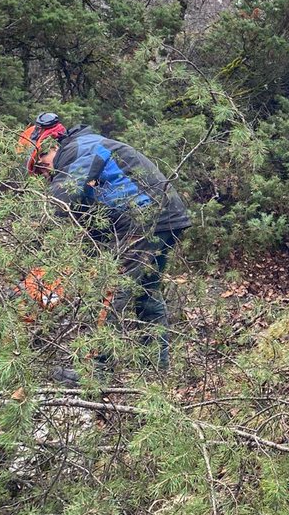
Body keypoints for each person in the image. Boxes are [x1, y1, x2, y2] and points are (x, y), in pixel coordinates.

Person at [19, 113, 191, 371]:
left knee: (115, 292)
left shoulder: (82, 149)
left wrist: (28, 239)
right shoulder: (79, 158)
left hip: (145, 220)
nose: (43, 174)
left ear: (51, 144)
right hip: (160, 219)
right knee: (145, 294)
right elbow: (92, 224)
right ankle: (155, 369)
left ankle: (97, 374)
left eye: (41, 165)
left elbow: (59, 201)